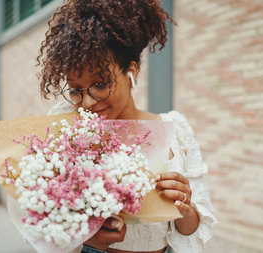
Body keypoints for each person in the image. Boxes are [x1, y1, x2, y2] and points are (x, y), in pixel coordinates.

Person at [37, 1, 216, 252]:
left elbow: (192, 235)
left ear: (130, 72)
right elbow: (39, 219)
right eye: (76, 90)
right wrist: (85, 236)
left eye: (100, 84)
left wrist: (185, 208)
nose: (87, 102)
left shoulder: (176, 129)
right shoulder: (68, 128)